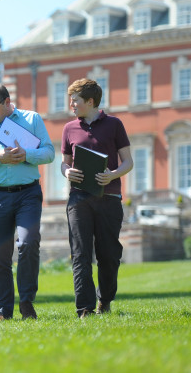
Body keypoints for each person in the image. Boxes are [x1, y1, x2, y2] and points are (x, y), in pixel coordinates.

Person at [0, 83, 54, 321]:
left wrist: (26, 155)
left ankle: (26, 302)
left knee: (28, 244)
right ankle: (3, 310)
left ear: (7, 103)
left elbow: (49, 152)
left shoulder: (32, 119)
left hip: (28, 194)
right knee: (0, 256)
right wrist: (0, 158)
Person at [60, 78, 133, 318]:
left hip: (109, 197)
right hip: (79, 198)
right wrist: (67, 171)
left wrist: (112, 174)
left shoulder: (114, 125)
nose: (71, 104)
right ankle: (85, 309)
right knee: (80, 253)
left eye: (75, 100)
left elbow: (128, 162)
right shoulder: (69, 129)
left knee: (109, 255)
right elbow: (64, 164)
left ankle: (105, 300)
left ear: (90, 101)